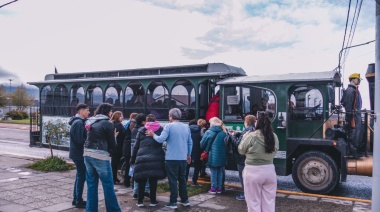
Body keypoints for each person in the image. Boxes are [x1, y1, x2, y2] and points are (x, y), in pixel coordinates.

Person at [146, 108, 192, 209]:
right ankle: (185, 200)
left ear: (171, 116)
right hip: (183, 157)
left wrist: (153, 134)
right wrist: (188, 154)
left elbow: (160, 139)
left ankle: (173, 202)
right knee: (182, 179)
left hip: (171, 158)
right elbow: (189, 142)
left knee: (172, 180)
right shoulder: (186, 127)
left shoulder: (169, 126)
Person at [83, 103, 121, 212]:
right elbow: (112, 145)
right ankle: (113, 210)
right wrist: (114, 137)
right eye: (110, 111)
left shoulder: (91, 121)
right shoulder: (107, 123)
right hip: (100, 156)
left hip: (87, 154)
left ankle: (90, 210)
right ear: (107, 111)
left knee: (91, 185)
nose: (111, 113)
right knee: (108, 184)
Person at [238, 112, 279, 212]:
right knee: (269, 202)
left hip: (252, 171)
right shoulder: (274, 136)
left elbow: (241, 150)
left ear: (257, 123)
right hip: (269, 170)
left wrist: (243, 138)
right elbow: (276, 150)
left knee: (253, 203)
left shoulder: (251, 136)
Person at [131, 114, 165, 207]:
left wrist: (133, 159)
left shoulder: (141, 130)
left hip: (142, 157)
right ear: (155, 121)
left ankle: (140, 201)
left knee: (142, 180)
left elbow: (136, 147)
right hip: (156, 157)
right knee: (153, 180)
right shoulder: (160, 130)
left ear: (146, 121)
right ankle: (153, 201)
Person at [230, 115, 256, 201]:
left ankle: (245, 194)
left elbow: (238, 144)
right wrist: (238, 133)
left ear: (246, 122)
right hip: (251, 157)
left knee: (243, 177)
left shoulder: (246, 131)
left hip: (242, 158)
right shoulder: (254, 130)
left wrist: (233, 136)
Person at [69, 103, 90, 208]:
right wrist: (89, 140)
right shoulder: (78, 123)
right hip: (79, 154)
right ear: (81, 111)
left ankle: (76, 199)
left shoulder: (78, 122)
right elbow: (80, 140)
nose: (88, 112)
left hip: (77, 153)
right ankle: (78, 201)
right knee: (81, 177)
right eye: (87, 110)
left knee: (79, 176)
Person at [200, 117, 227, 194]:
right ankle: (219, 188)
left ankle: (213, 188)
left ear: (212, 123)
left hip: (213, 155)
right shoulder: (224, 132)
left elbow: (202, 144)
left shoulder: (209, 132)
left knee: (214, 172)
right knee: (220, 172)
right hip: (222, 155)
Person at [341, 73, 364, 158]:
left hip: (355, 115)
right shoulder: (351, 91)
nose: (359, 81)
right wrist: (350, 117)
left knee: (357, 133)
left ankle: (355, 151)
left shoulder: (353, 90)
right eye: (358, 79)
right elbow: (348, 107)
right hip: (353, 116)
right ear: (353, 79)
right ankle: (353, 152)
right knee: (354, 133)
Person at [131, 113, 150, 199]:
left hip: (134, 154)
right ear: (143, 122)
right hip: (142, 154)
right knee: (145, 174)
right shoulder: (143, 130)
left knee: (136, 174)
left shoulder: (133, 129)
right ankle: (144, 191)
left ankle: (135, 191)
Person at [122, 112, 138, 187]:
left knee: (127, 165)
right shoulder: (136, 126)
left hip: (126, 146)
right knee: (134, 165)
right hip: (132, 147)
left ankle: (126, 182)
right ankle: (134, 183)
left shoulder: (126, 124)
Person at [186, 119, 203, 186]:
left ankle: (185, 182)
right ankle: (194, 182)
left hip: (188, 151)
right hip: (198, 151)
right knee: (197, 167)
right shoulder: (200, 131)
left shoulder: (186, 130)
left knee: (187, 167)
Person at [110, 111, 125, 184]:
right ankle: (113, 178)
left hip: (113, 147)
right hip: (118, 147)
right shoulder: (119, 125)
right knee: (115, 164)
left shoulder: (112, 124)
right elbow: (123, 135)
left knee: (114, 164)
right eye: (121, 116)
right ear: (117, 117)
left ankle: (114, 177)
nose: (122, 117)